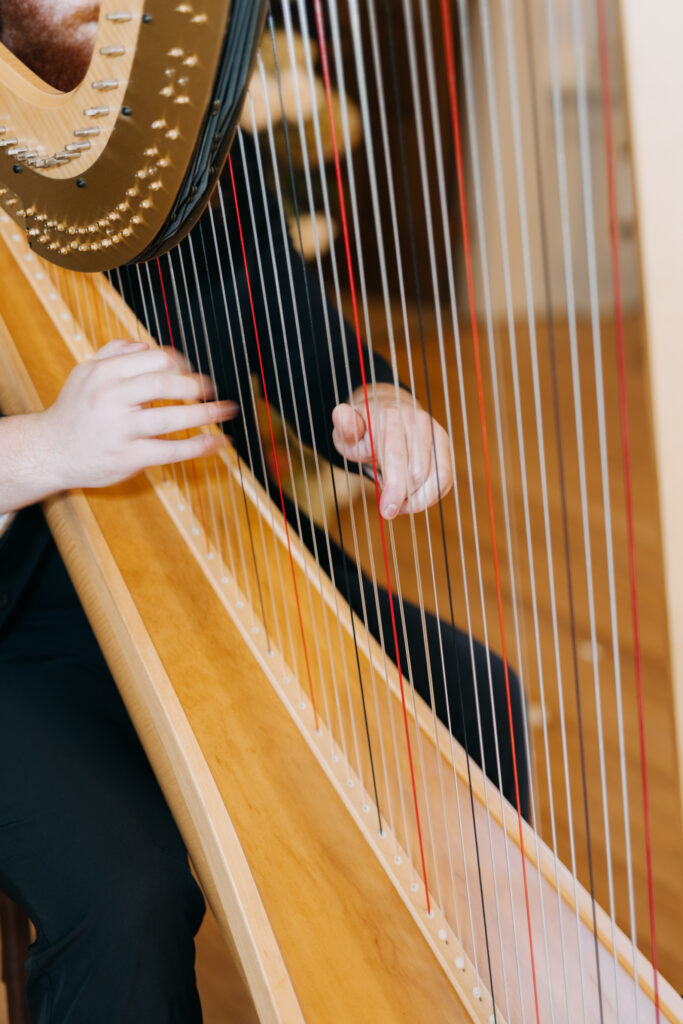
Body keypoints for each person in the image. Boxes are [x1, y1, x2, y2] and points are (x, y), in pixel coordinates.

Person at [0, 3, 529, 1021]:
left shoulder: (170, 129)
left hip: (223, 558)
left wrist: (381, 406)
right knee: (128, 897)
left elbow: (295, 327)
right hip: (14, 635)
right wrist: (51, 448)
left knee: (470, 698)